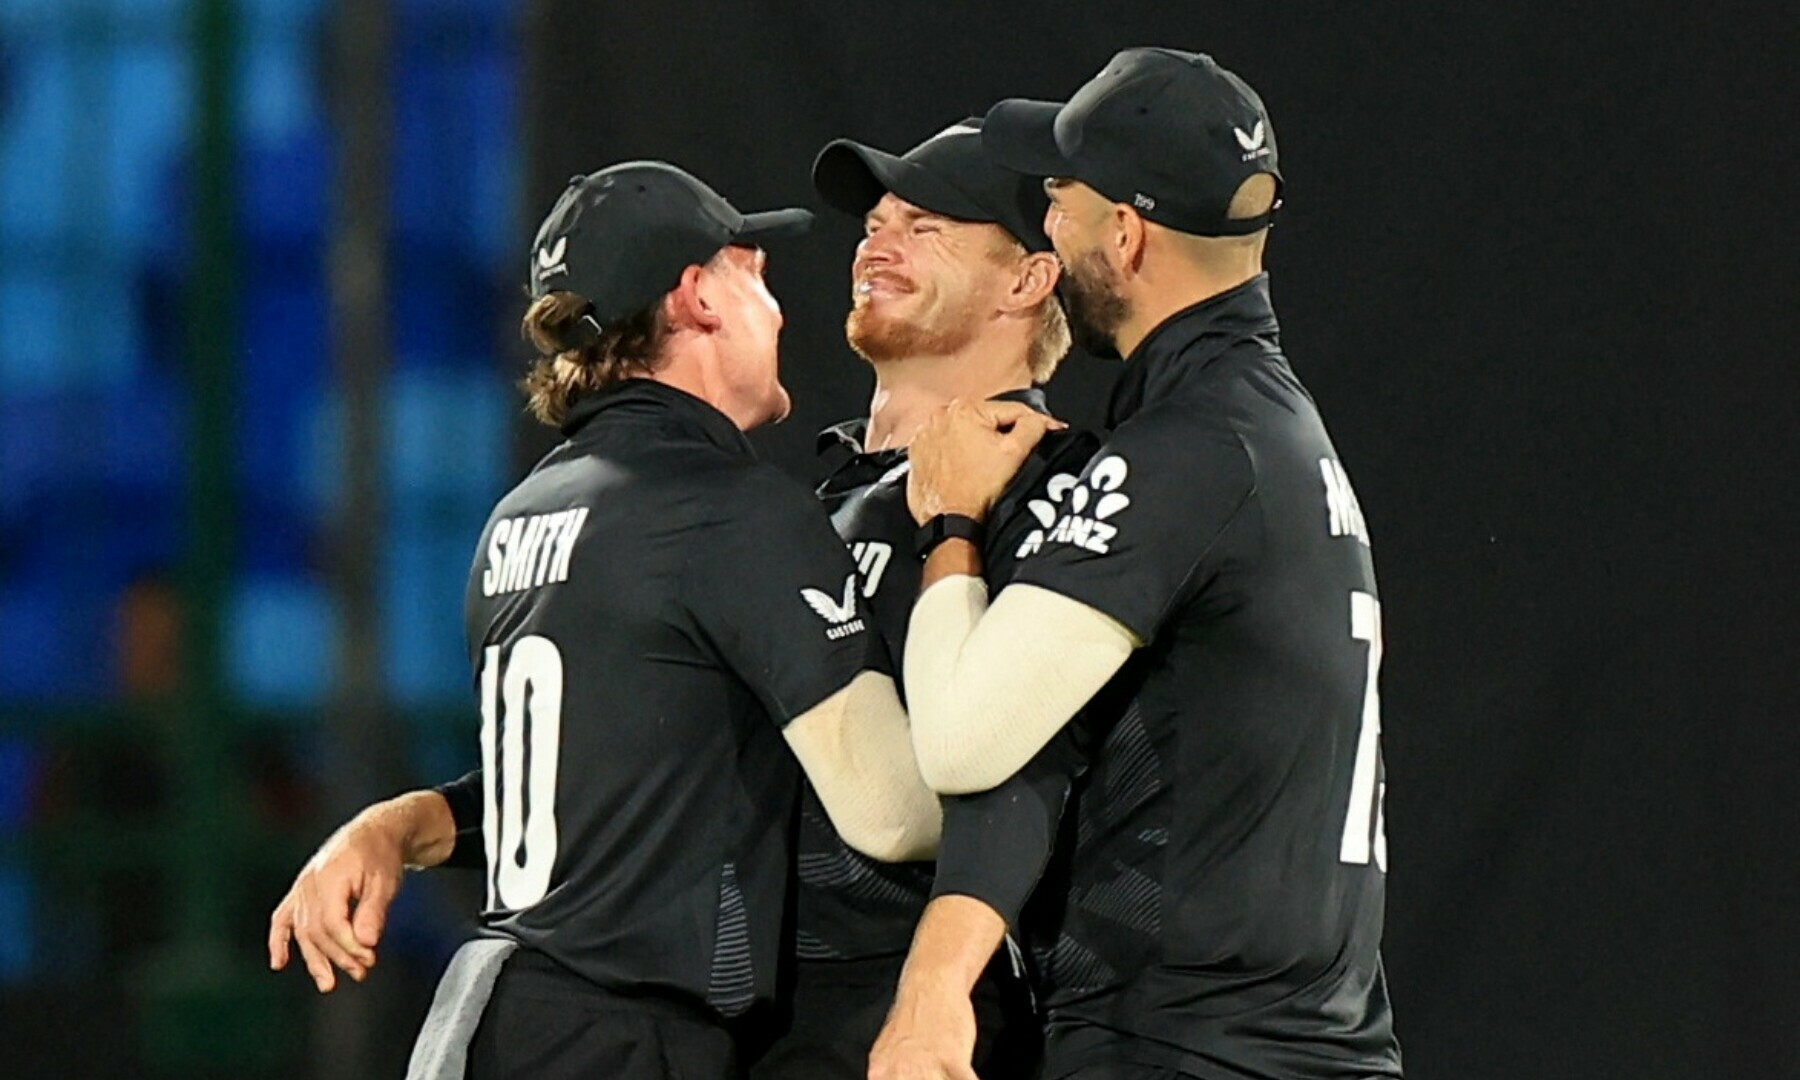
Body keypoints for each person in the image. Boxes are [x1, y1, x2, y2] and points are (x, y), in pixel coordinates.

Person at [270, 160, 944, 1079]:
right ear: (697, 295)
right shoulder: (725, 506)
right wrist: (960, 546)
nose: (777, 309)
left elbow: (598, 788)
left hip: (491, 1021)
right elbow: (894, 814)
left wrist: (398, 825)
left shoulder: (520, 515)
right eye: (754, 273)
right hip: (621, 1040)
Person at [869, 49, 1405, 1080]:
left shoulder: (1193, 449)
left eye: (1060, 200)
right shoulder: (1272, 427)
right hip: (1301, 1041)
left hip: (1190, 1045)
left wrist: (952, 526)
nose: (1050, 225)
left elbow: (965, 742)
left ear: (1126, 233)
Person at [746, 117, 1096, 1080]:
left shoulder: (1063, 495)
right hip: (758, 1017)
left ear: (1029, 280)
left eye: (926, 224)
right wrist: (422, 824)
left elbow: (1028, 763)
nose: (876, 240)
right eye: (875, 223)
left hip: (922, 1021)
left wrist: (934, 994)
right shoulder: (815, 504)